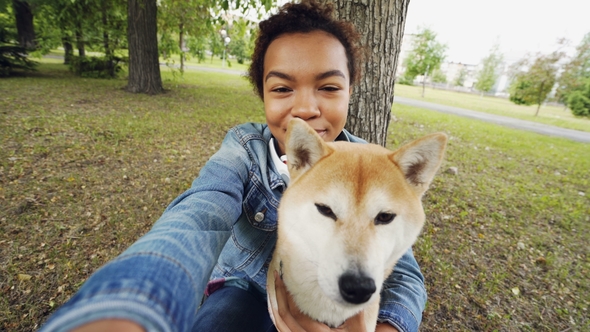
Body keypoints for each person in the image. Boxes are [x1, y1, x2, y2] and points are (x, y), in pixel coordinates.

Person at [39, 1, 426, 331]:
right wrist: (130, 305)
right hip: (242, 285)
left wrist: (386, 326)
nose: (306, 110)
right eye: (282, 88)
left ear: (350, 91)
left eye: (327, 87)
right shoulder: (244, 150)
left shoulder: (377, 168)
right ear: (262, 93)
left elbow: (405, 271)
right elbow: (201, 214)